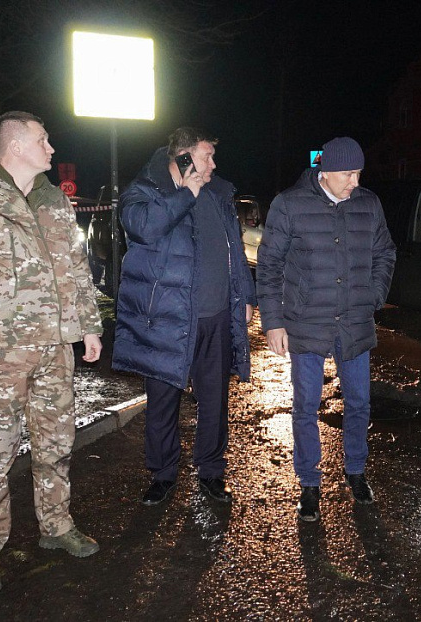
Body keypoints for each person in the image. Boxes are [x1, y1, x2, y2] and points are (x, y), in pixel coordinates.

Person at [0, 111, 104, 595]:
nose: (51, 148)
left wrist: (88, 326)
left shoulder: (55, 202)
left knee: (56, 445)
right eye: (42, 140)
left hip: (55, 350)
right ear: (15, 147)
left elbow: (76, 268)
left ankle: (56, 526)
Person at [112, 127, 255, 508]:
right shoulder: (145, 190)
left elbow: (234, 249)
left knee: (215, 401)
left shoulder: (219, 193)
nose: (214, 164)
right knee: (162, 403)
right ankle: (162, 474)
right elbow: (144, 228)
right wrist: (186, 193)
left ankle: (211, 471)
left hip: (216, 317)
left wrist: (246, 294)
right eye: (207, 156)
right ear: (184, 158)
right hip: (168, 320)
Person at [257, 136, 396, 522]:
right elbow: (269, 266)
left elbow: (385, 252)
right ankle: (309, 483)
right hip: (306, 321)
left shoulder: (368, 204)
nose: (355, 181)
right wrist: (274, 321)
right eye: (348, 174)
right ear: (326, 172)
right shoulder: (290, 204)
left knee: (359, 402)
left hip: (354, 320)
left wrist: (374, 294)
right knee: (306, 406)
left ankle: (356, 471)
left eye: (359, 173)